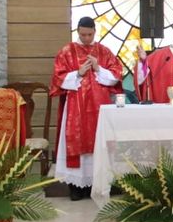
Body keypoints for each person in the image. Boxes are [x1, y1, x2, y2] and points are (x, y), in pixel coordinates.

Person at [50, 17, 123, 200]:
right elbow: (58, 78)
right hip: (76, 107)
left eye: (90, 34)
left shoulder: (104, 51)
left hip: (100, 107)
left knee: (99, 142)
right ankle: (76, 187)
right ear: (78, 31)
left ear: (95, 32)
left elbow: (116, 76)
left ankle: (96, 183)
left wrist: (98, 69)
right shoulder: (67, 52)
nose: (86, 38)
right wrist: (78, 73)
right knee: (77, 142)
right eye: (83, 34)